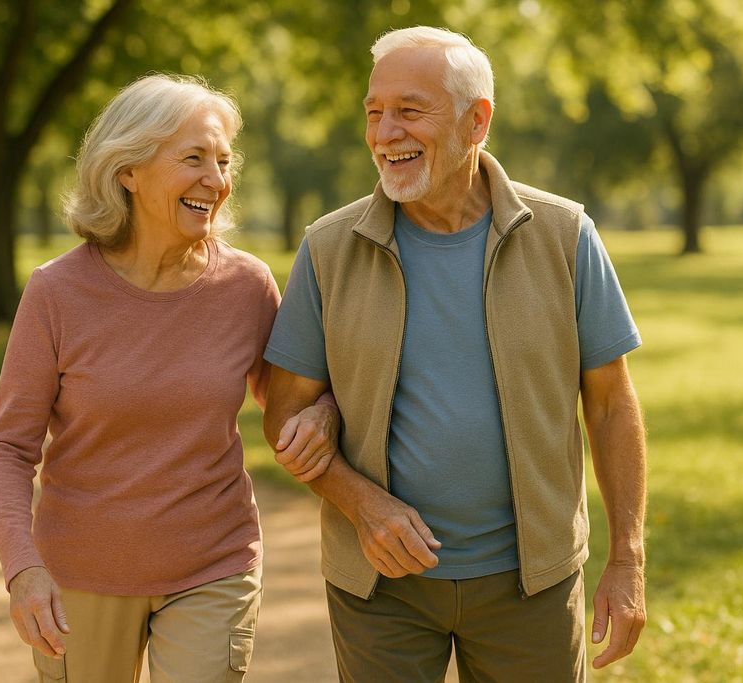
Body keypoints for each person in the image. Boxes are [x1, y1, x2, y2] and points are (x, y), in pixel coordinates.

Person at [263, 26, 647, 682]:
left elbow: (611, 404)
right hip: (380, 588)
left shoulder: (564, 236)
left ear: (477, 121)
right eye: (374, 112)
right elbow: (283, 420)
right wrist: (362, 503)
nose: (386, 133)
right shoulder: (328, 249)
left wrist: (627, 558)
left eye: (410, 110)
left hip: (533, 583)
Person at [0, 74, 335, 683]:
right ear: (127, 171)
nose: (216, 181)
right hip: (81, 574)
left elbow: (288, 402)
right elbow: (9, 449)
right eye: (193, 158)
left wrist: (323, 412)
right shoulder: (56, 293)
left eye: (223, 162)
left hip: (214, 561)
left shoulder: (247, 286)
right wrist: (23, 570)